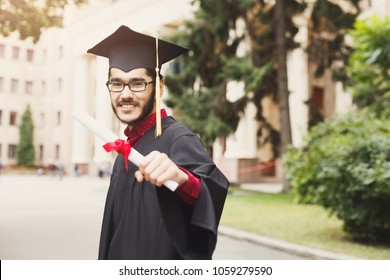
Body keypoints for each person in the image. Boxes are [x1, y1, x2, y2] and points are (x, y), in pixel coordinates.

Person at [87, 25, 229, 260]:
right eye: (116, 83)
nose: (125, 94)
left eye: (137, 83)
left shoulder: (179, 139)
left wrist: (181, 178)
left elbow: (207, 189)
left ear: (159, 86)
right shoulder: (126, 150)